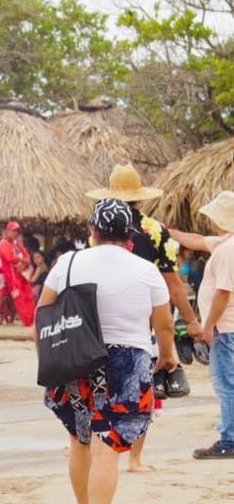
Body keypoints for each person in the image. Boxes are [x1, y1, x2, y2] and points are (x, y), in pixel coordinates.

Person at [39, 199, 177, 504]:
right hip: (127, 361)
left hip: (77, 357)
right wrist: (167, 357)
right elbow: (162, 325)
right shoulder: (146, 269)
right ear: (129, 234)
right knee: (107, 447)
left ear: (93, 230)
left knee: (79, 441)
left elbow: (43, 314)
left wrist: (47, 360)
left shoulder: (67, 262)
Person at [86, 165, 202, 472]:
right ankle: (135, 459)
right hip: (140, 318)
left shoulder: (96, 230)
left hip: (99, 318)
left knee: (97, 385)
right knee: (141, 390)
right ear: (140, 199)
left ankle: (89, 442)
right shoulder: (154, 230)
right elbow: (173, 284)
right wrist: (190, 321)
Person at [169, 192, 234, 459]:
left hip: (226, 327)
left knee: (226, 383)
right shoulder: (224, 243)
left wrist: (207, 327)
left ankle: (229, 440)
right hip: (227, 327)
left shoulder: (229, 250)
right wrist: (169, 232)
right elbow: (195, 240)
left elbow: (222, 293)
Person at [0, 221, 36, 326]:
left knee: (28, 296)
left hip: (21, 275)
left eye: (17, 231)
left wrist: (26, 261)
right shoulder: (3, 244)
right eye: (13, 231)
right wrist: (24, 260)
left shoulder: (16, 244)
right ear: (7, 231)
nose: (15, 233)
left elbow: (26, 254)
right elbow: (10, 258)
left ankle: (33, 319)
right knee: (19, 299)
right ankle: (28, 322)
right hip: (12, 277)